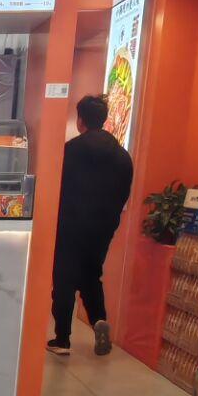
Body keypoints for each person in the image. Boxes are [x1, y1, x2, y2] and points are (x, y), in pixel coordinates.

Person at [49, 93, 135, 356]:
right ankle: (99, 320)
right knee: (90, 275)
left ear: (80, 120)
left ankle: (62, 339)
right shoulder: (122, 156)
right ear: (104, 119)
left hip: (70, 225)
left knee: (64, 279)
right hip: (102, 228)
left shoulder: (70, 151)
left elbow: (56, 188)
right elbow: (123, 194)